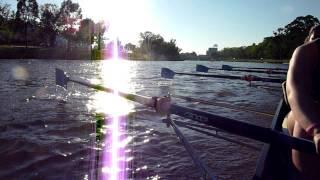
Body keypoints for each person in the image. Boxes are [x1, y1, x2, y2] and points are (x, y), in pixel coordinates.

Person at [285, 24, 320, 179]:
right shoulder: (305, 52)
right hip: (302, 115)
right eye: (316, 36)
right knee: (304, 123)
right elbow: (294, 91)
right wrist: (316, 130)